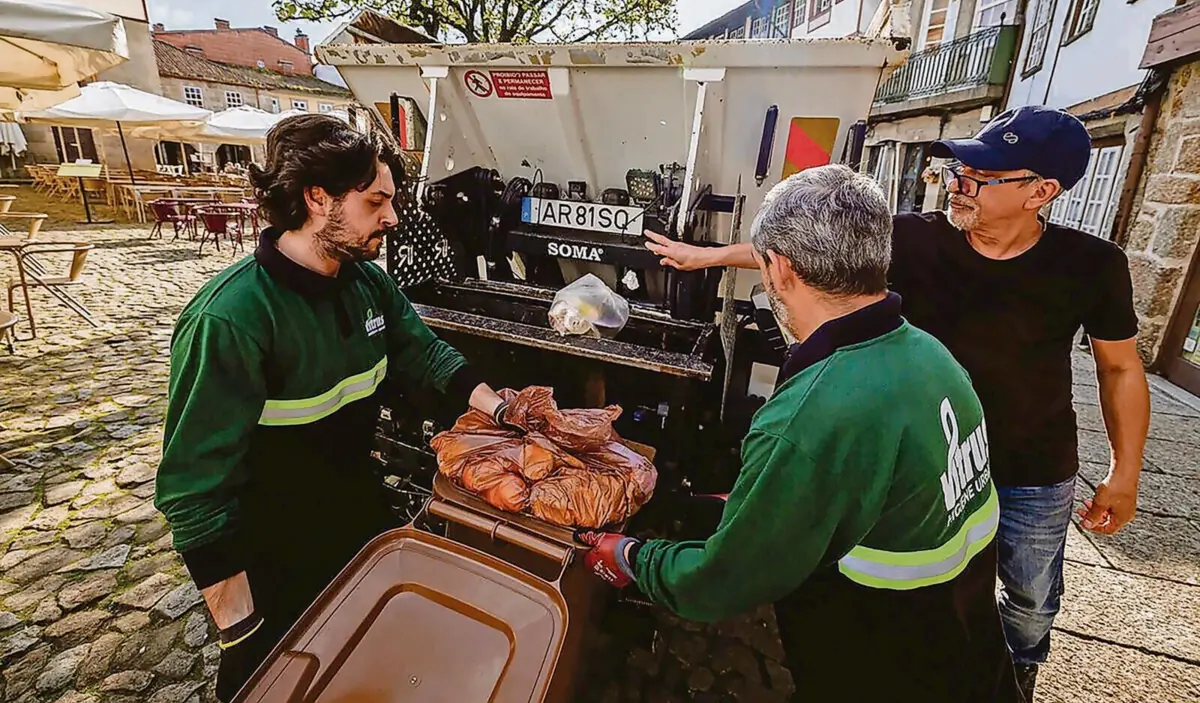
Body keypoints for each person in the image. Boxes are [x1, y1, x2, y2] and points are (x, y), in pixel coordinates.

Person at [639, 106, 1151, 699]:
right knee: (929, 575)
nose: (957, 185)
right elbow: (802, 253)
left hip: (1029, 462)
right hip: (918, 451)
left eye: (979, 178)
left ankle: (1018, 672)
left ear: (1041, 191)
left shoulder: (1091, 265)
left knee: (1030, 597)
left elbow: (1120, 367)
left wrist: (1125, 472)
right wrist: (706, 256)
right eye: (958, 172)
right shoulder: (914, 236)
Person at [580, 165, 1021, 702]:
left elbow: (721, 581)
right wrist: (760, 500)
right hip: (970, 653)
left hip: (878, 665)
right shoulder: (931, 357)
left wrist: (632, 558)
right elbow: (893, 486)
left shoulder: (808, 417)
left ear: (780, 269)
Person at [155, 114, 515, 702]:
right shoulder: (232, 319)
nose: (393, 218)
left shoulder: (366, 283)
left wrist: (504, 415)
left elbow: (425, 354)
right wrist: (240, 631)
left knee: (380, 667)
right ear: (317, 198)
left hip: (357, 516)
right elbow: (193, 493)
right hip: (275, 549)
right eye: (375, 202)